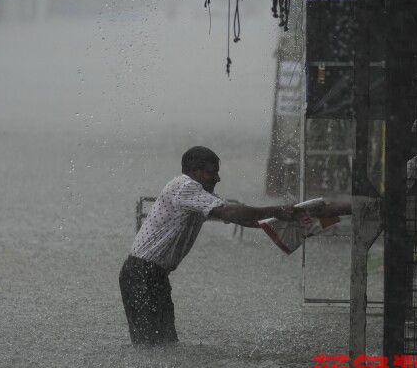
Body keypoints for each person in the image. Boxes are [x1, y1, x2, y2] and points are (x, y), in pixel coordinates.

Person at [119, 146, 350, 345]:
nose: (217, 179)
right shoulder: (184, 186)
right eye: (212, 173)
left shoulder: (197, 196)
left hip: (153, 276)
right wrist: (276, 211)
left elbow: (243, 218)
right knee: (150, 346)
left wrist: (290, 219)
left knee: (164, 343)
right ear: (195, 172)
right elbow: (230, 211)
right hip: (142, 274)